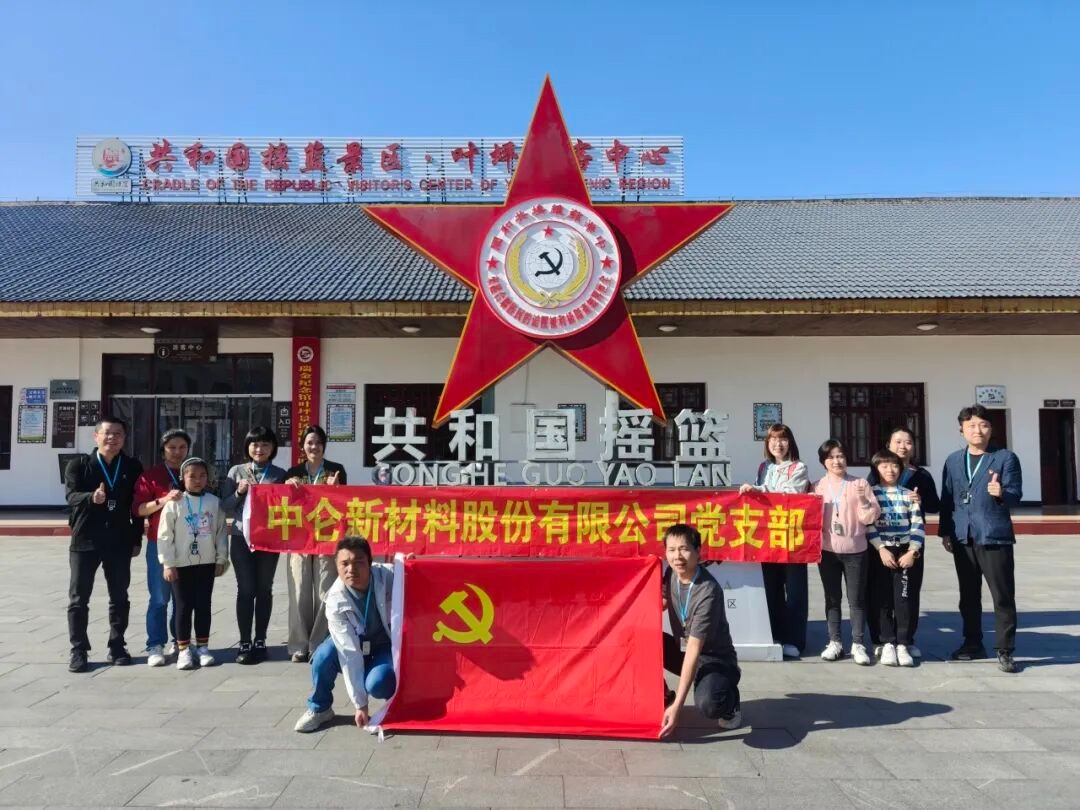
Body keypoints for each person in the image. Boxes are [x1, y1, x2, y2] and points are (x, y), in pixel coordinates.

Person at [939, 405, 1022, 673]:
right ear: (961, 430)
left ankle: (1005, 650)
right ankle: (972, 643)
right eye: (972, 425)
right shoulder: (953, 460)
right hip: (963, 537)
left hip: (993, 536)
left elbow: (1015, 494)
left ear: (991, 429)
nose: (978, 430)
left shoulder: (1005, 458)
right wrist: (945, 531)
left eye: (983, 425)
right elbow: (947, 498)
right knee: (968, 596)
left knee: (1002, 596)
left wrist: (1001, 492)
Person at [65, 416, 144, 673]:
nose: (113, 438)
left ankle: (117, 645)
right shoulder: (79, 464)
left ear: (124, 438)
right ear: (96, 436)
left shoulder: (132, 466)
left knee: (119, 596)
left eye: (118, 434)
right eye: (108, 433)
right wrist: (91, 497)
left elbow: (136, 506)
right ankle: (79, 650)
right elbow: (71, 496)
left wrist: (136, 539)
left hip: (119, 540)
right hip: (86, 538)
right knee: (79, 598)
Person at [293, 535, 396, 733]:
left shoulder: (389, 576)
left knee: (379, 681)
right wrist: (360, 705)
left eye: (359, 562)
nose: (351, 569)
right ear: (336, 565)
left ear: (370, 563)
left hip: (384, 646)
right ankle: (320, 708)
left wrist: (412, 565)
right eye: (345, 564)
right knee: (322, 656)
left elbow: (414, 576)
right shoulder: (335, 599)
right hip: (353, 644)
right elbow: (349, 652)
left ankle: (394, 706)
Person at [659, 523, 741, 737]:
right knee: (644, 642)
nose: (678, 556)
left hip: (714, 658)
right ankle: (663, 695)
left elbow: (694, 649)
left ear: (698, 552)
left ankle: (731, 700)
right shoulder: (671, 573)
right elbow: (661, 602)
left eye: (684, 549)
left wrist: (678, 707)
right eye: (671, 550)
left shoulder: (708, 591)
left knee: (709, 704)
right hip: (683, 650)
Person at [867, 426, 939, 659]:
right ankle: (882, 639)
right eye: (897, 441)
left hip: (910, 542)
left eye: (908, 442)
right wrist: (879, 547)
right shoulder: (876, 474)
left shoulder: (922, 475)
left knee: (908, 593)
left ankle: (906, 639)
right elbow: (868, 513)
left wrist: (919, 499)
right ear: (888, 445)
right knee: (880, 593)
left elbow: (934, 505)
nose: (903, 446)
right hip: (881, 545)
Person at [738, 423, 810, 659]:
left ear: (791, 442)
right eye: (773, 440)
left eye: (783, 439)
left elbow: (789, 493)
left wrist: (758, 490)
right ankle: (775, 635)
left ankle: (795, 640)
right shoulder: (764, 467)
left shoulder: (799, 467)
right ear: (767, 444)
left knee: (795, 591)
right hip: (768, 536)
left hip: (792, 537)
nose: (778, 444)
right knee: (771, 589)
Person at [221, 426, 288, 665]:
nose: (259, 449)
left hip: (268, 540)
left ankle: (260, 640)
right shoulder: (236, 472)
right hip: (241, 538)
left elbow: (287, 506)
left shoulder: (280, 474)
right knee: (246, 590)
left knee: (264, 589)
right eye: (255, 444)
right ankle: (244, 641)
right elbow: (225, 506)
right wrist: (239, 492)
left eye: (265, 445)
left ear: (273, 448)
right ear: (248, 447)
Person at [157, 457, 229, 670]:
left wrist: (221, 558)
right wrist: (168, 563)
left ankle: (203, 647)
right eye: (192, 476)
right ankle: (183, 649)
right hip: (180, 564)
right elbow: (165, 536)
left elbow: (221, 532)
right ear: (182, 478)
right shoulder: (174, 503)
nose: (197, 480)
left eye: (202, 476)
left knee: (203, 605)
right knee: (182, 606)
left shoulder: (214, 502)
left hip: (206, 562)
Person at [814, 439, 881, 665]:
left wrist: (862, 500)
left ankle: (858, 644)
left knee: (857, 599)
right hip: (827, 551)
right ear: (824, 461)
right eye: (831, 457)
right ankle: (834, 642)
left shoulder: (859, 483)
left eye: (840, 456)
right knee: (832, 598)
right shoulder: (817, 487)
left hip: (856, 551)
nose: (837, 461)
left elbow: (869, 518)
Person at [284, 425, 347, 662]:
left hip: (327, 539)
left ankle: (319, 642)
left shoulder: (336, 470)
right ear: (303, 446)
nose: (314, 447)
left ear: (324, 446)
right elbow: (282, 505)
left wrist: (336, 489)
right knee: (299, 591)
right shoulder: (293, 472)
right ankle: (299, 645)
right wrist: (286, 487)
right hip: (299, 540)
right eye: (310, 442)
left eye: (318, 443)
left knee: (325, 590)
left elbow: (344, 503)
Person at [132, 428, 189, 667]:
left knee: (182, 598)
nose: (177, 452)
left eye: (182, 447)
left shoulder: (194, 471)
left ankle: (180, 641)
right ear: (163, 450)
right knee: (159, 597)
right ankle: (155, 644)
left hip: (189, 543)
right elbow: (138, 509)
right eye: (171, 447)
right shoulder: (151, 476)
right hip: (159, 543)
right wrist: (163, 500)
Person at [866, 449, 925, 667]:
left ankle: (903, 643)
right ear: (876, 469)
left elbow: (917, 525)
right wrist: (880, 548)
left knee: (903, 599)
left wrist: (912, 551)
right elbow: (868, 524)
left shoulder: (909, 495)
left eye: (894, 465)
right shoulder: (871, 494)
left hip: (904, 553)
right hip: (880, 552)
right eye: (884, 466)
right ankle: (887, 642)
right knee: (881, 599)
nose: (890, 470)